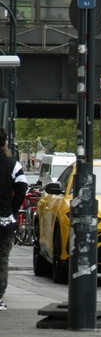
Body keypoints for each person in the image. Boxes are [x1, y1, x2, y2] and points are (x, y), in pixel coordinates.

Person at [0, 127, 28, 310]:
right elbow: (22, 187)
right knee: (2, 258)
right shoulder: (12, 164)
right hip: (4, 219)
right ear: (4, 144)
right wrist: (13, 209)